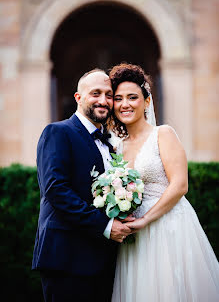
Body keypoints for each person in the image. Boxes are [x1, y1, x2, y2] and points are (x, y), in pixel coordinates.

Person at [109, 63, 219, 302]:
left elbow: (180, 185)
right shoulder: (116, 147)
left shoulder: (163, 134)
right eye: (118, 98)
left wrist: (146, 219)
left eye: (132, 97)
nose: (125, 104)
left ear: (146, 101)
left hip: (168, 225)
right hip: (133, 234)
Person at [32, 69, 133, 302]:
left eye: (109, 95)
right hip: (66, 258)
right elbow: (56, 190)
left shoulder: (111, 145)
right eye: (95, 93)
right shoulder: (57, 132)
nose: (103, 100)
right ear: (78, 98)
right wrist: (106, 226)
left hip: (104, 258)